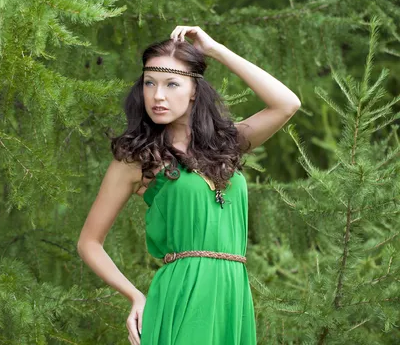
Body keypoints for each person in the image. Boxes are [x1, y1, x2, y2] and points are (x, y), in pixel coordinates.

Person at [77, 25, 301, 345]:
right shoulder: (139, 159)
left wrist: (215, 51)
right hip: (180, 295)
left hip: (232, 297)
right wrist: (135, 297)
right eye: (150, 83)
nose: (158, 95)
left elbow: (287, 104)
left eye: (172, 84)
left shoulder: (228, 144)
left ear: (194, 89)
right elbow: (89, 243)